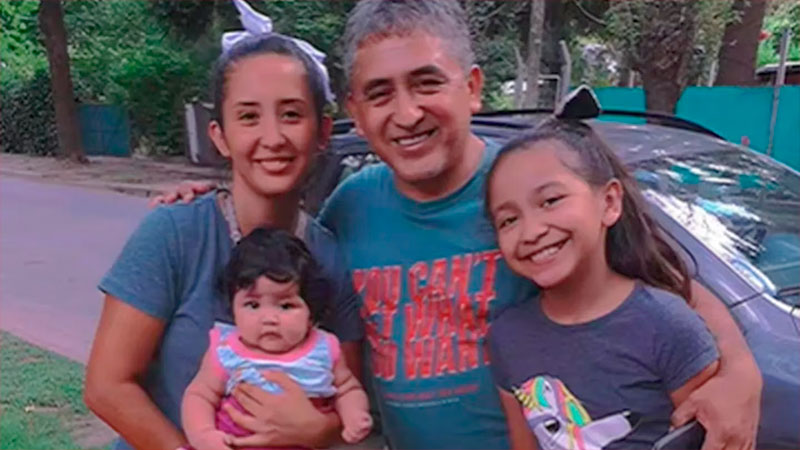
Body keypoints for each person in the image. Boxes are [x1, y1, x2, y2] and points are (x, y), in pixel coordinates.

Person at [163, 0, 762, 448]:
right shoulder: (349, 207)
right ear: (356, 113)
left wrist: (740, 375)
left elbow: (666, 280)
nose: (406, 113)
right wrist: (211, 196)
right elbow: (284, 268)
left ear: (472, 88)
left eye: (427, 83)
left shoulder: (531, 190)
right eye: (380, 93)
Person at [84, 3, 362, 449]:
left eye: (291, 114)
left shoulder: (329, 256)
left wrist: (320, 430)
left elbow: (342, 398)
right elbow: (106, 386)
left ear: (323, 131)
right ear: (220, 135)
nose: (272, 137)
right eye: (249, 116)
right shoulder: (176, 233)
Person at [485, 90, 720, 450]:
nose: (530, 231)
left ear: (609, 202)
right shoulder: (508, 337)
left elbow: (719, 435)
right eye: (509, 220)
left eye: (551, 201)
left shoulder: (668, 326)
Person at [183, 228, 371, 450]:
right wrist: (204, 435)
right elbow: (199, 395)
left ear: (311, 313)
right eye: (253, 305)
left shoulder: (324, 349)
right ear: (233, 309)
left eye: (286, 306)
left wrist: (355, 415)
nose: (269, 319)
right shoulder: (227, 351)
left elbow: (348, 389)